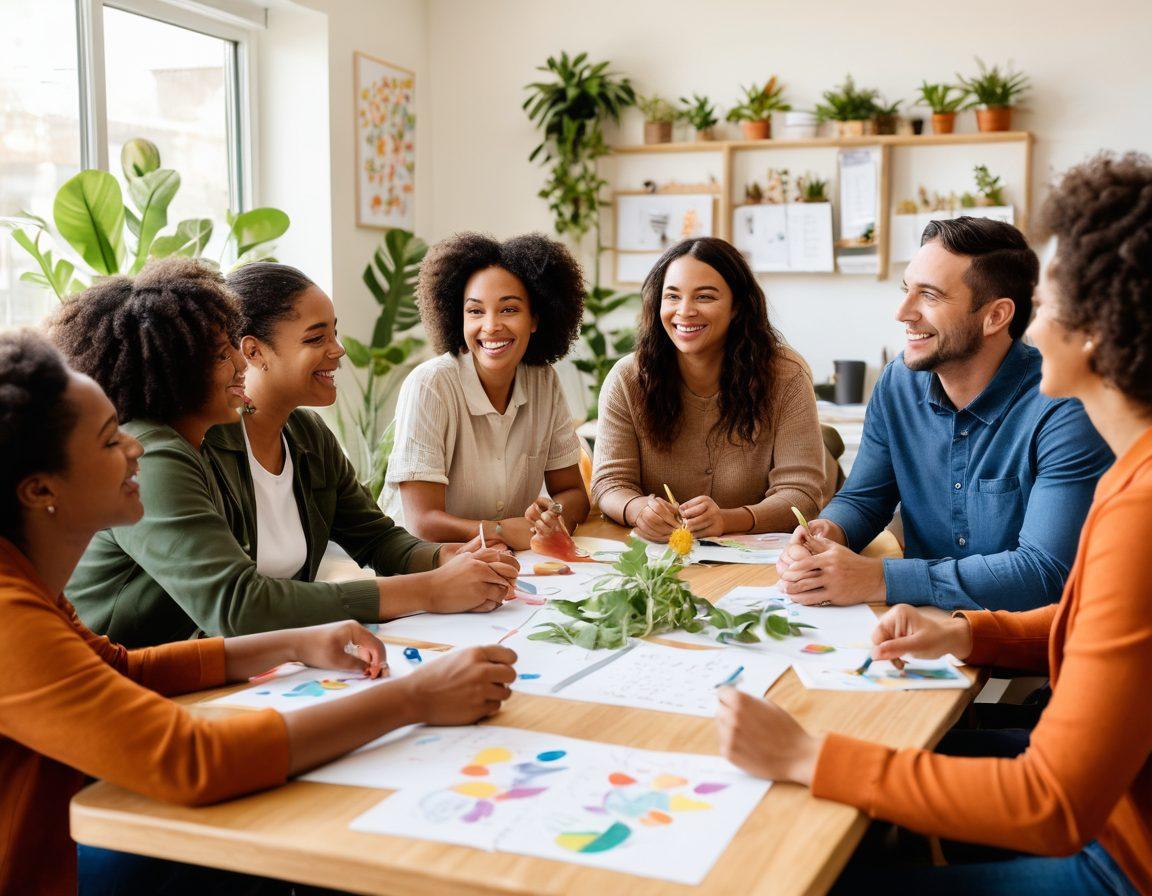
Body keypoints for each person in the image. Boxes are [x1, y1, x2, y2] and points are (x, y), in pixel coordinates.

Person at [716, 153, 1152, 896]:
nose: (1035, 327)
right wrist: (967, 631)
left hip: (1119, 854)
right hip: (1112, 797)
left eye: (1047, 306)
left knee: (818, 871)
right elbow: (1104, 633)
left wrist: (804, 757)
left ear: (1095, 334)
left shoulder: (1136, 505)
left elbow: (1050, 806)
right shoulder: (1136, 471)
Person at [0, 329, 518, 895]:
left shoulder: (29, 584)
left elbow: (118, 669)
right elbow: (192, 759)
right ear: (37, 490)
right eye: (108, 441)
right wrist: (414, 698)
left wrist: (294, 643)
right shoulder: (9, 618)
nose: (135, 449)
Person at [56, 259, 517, 648]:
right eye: (316, 339)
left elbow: (375, 537)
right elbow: (238, 607)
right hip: (136, 680)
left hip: (227, 670)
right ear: (253, 352)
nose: (337, 351)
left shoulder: (305, 435)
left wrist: (448, 560)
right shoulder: (156, 455)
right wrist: (429, 590)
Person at [776, 217, 1112, 610]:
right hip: (919, 627)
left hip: (1018, 646)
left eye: (930, 296)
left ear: (996, 316)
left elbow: (1044, 572)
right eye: (906, 290)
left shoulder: (1062, 405)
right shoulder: (897, 383)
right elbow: (866, 498)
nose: (903, 312)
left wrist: (880, 578)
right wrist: (830, 531)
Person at [592, 237, 831, 539]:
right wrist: (638, 509)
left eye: (704, 297)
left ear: (737, 307)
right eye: (673, 297)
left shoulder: (785, 376)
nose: (685, 311)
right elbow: (609, 483)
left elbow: (801, 495)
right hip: (657, 559)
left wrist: (729, 520)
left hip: (755, 561)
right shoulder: (627, 379)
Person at [381, 233, 590, 551]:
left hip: (512, 563)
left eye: (508, 310)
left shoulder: (544, 381)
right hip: (427, 564)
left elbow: (573, 493)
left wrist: (553, 517)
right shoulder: (430, 386)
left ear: (535, 318)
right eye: (475, 312)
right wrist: (501, 531)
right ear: (457, 317)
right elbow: (423, 522)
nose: (491, 326)